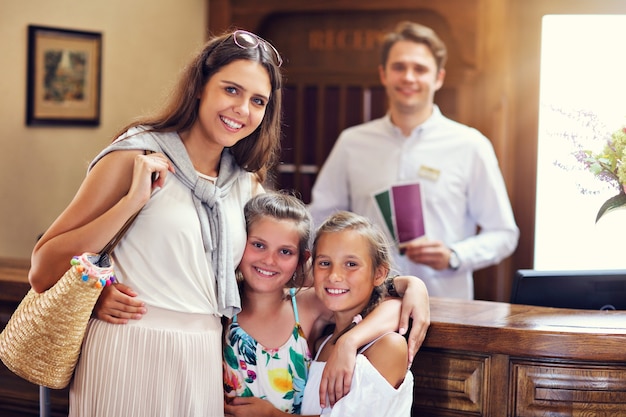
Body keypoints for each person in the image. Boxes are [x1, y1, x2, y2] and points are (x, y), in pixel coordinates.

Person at [29, 29, 285, 417]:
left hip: (201, 357)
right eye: (231, 90)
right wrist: (133, 202)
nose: (242, 110)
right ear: (200, 86)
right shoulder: (136, 153)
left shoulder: (247, 183)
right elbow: (43, 266)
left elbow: (275, 271)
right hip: (125, 348)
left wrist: (401, 289)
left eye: (257, 101)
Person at [308, 21, 519, 300]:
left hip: (444, 305)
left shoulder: (471, 145)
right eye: (399, 67)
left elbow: (504, 233)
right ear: (384, 74)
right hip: (365, 306)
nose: (408, 77)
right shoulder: (352, 142)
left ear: (439, 77)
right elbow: (320, 218)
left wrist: (454, 255)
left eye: (420, 69)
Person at [223, 192, 422, 416]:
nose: (270, 260)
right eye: (325, 263)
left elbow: (392, 303)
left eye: (285, 251)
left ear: (301, 260)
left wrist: (413, 285)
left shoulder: (311, 312)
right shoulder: (323, 345)